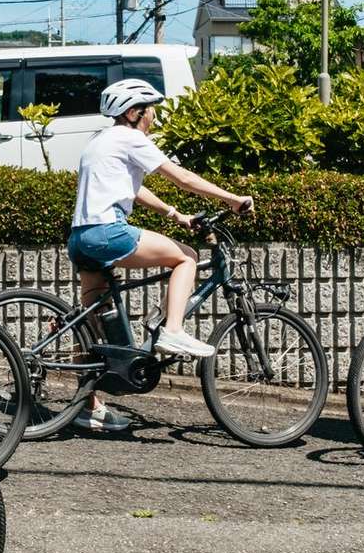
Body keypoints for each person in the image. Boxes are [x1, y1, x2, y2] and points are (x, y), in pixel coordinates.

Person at [65, 77, 251, 433]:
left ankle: (86, 406)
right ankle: (173, 329)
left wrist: (174, 214)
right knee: (186, 257)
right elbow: (180, 176)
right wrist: (232, 199)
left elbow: (133, 190)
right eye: (150, 111)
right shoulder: (131, 138)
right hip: (109, 232)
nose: (153, 118)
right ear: (134, 113)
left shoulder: (100, 141)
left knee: (92, 322)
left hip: (81, 238)